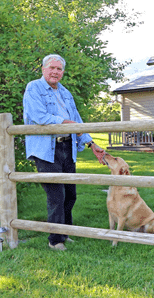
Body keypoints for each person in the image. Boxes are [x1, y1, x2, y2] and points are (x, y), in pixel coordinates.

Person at [23, 54, 103, 251]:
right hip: (46, 149)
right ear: (43, 69)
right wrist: (65, 122)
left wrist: (92, 143)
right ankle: (55, 240)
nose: (55, 72)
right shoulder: (33, 88)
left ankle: (65, 233)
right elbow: (38, 116)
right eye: (52, 68)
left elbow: (76, 119)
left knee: (70, 194)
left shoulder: (66, 93)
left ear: (63, 72)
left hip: (68, 146)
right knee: (56, 195)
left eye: (59, 69)